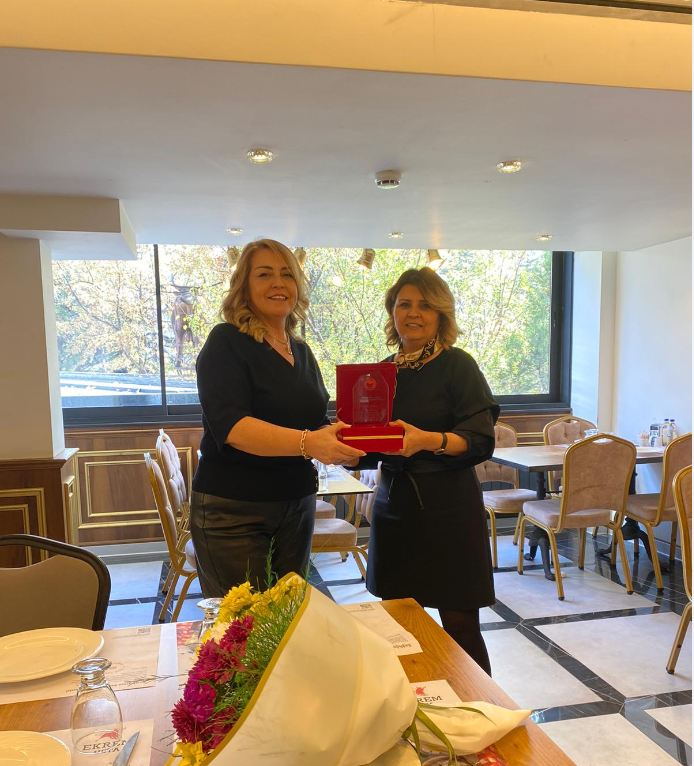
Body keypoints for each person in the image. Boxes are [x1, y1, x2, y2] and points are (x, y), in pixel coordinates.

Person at [190, 239, 364, 597]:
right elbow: (233, 427)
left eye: (287, 274)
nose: (278, 283)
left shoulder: (301, 350)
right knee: (245, 624)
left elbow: (314, 419)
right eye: (264, 274)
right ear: (244, 286)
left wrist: (345, 441)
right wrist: (310, 443)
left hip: (296, 503)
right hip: (235, 510)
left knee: (289, 618)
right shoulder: (226, 341)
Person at [361, 267, 499, 674]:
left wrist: (427, 440)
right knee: (400, 625)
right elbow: (372, 445)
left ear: (441, 315)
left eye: (425, 305)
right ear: (393, 312)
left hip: (449, 509)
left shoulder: (459, 366)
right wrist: (347, 449)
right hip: (394, 507)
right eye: (404, 304)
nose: (413, 313)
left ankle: (481, 706)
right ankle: (413, 704)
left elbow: (479, 439)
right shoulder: (380, 374)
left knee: (460, 624)